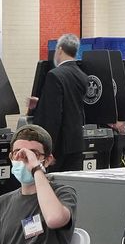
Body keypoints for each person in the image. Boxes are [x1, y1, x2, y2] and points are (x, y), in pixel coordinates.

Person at [31, 33, 91, 171]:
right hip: (76, 144)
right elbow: (72, 105)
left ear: (60, 49)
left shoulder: (55, 75)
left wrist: (47, 150)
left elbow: (53, 117)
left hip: (59, 147)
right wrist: (41, 103)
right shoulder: (82, 76)